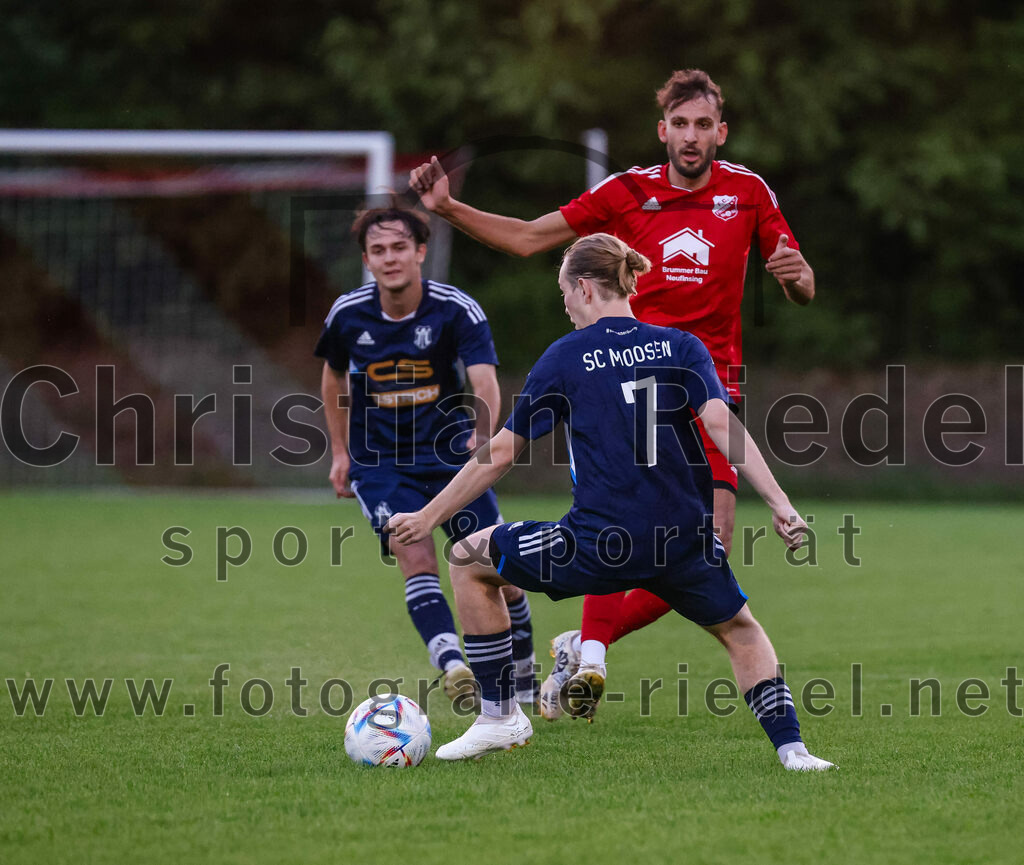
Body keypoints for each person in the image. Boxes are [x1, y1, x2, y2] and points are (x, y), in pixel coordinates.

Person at [410, 68, 815, 720]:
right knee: (622, 532)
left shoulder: (748, 192)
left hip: (711, 392)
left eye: (702, 124)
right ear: (663, 130)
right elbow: (529, 237)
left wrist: (798, 279)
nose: (690, 136)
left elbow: (800, 282)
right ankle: (591, 652)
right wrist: (451, 209)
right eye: (679, 124)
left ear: (721, 130)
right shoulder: (628, 191)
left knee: (706, 548)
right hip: (622, 392)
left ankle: (582, 643)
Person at [386, 234, 833, 770]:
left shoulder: (565, 356)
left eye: (564, 294)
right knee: (742, 632)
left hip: (599, 544)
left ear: (582, 288)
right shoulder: (681, 345)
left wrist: (429, 515)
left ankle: (500, 717)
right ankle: (794, 751)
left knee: (466, 559)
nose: (566, 306)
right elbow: (722, 425)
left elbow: (502, 451)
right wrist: (780, 502)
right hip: (682, 542)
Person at [315, 203, 537, 707]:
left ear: (420, 252)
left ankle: (523, 667)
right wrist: (340, 452)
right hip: (381, 462)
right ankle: (453, 664)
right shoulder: (348, 315)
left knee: (493, 567)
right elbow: (331, 378)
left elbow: (483, 378)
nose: (389, 258)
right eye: (378, 250)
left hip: (451, 456)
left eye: (399, 247)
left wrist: (482, 438)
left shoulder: (456, 308)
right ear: (367, 261)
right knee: (412, 551)